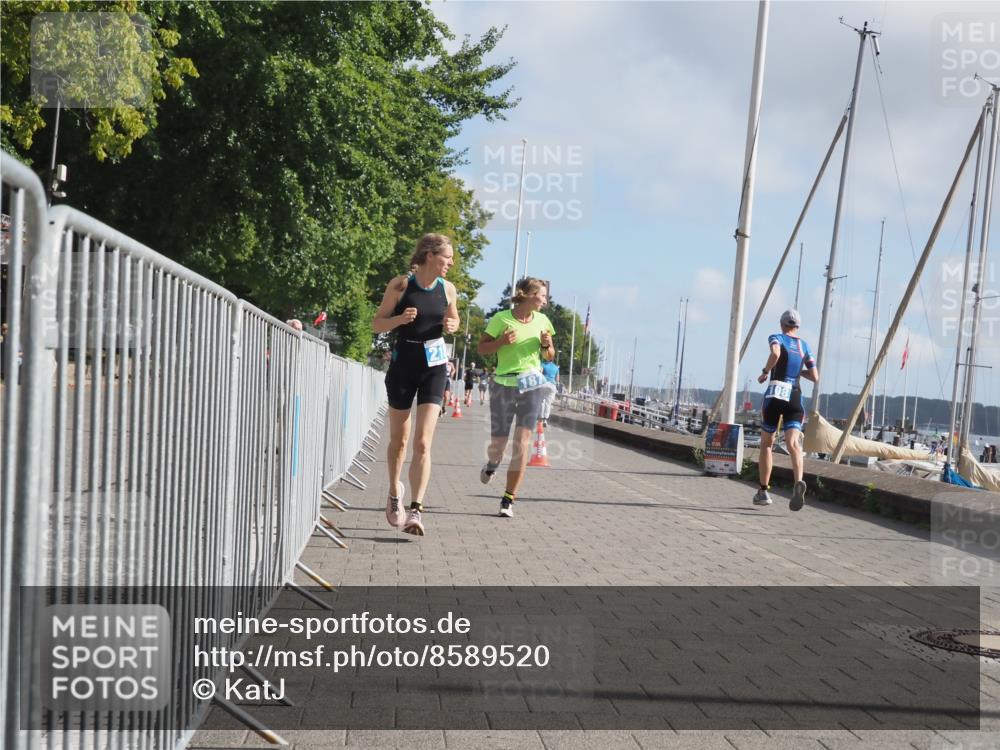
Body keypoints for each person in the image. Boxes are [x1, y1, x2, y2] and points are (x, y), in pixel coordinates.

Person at [372, 233, 460, 536]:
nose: (450, 263)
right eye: (447, 257)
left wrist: (453, 324)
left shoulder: (448, 289)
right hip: (403, 366)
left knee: (423, 442)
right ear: (430, 255)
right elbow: (377, 323)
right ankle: (394, 494)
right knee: (399, 440)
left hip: (434, 368)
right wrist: (399, 320)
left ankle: (416, 510)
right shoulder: (401, 285)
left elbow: (454, 320)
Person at [477, 277, 555, 518]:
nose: (545, 301)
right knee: (498, 446)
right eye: (542, 296)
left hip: (532, 385)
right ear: (529, 295)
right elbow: (482, 348)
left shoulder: (543, 321)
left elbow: (549, 356)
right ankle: (492, 465)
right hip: (503, 384)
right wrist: (501, 341)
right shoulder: (501, 319)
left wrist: (546, 346)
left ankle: (508, 499)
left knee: (522, 443)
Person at [754, 309, 819, 511]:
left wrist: (765, 372)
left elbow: (775, 353)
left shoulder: (776, 337)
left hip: (775, 393)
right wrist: (798, 372)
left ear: (782, 324)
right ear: (797, 326)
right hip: (795, 395)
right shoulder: (804, 345)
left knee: (767, 444)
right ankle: (798, 482)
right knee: (793, 444)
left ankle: (763, 491)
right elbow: (815, 376)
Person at [539, 359, 560, 426]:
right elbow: (557, 379)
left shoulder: (543, 364)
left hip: (544, 383)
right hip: (552, 385)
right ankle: (545, 420)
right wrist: (557, 385)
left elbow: (540, 373)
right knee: (548, 403)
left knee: (542, 402)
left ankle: (541, 418)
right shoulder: (556, 367)